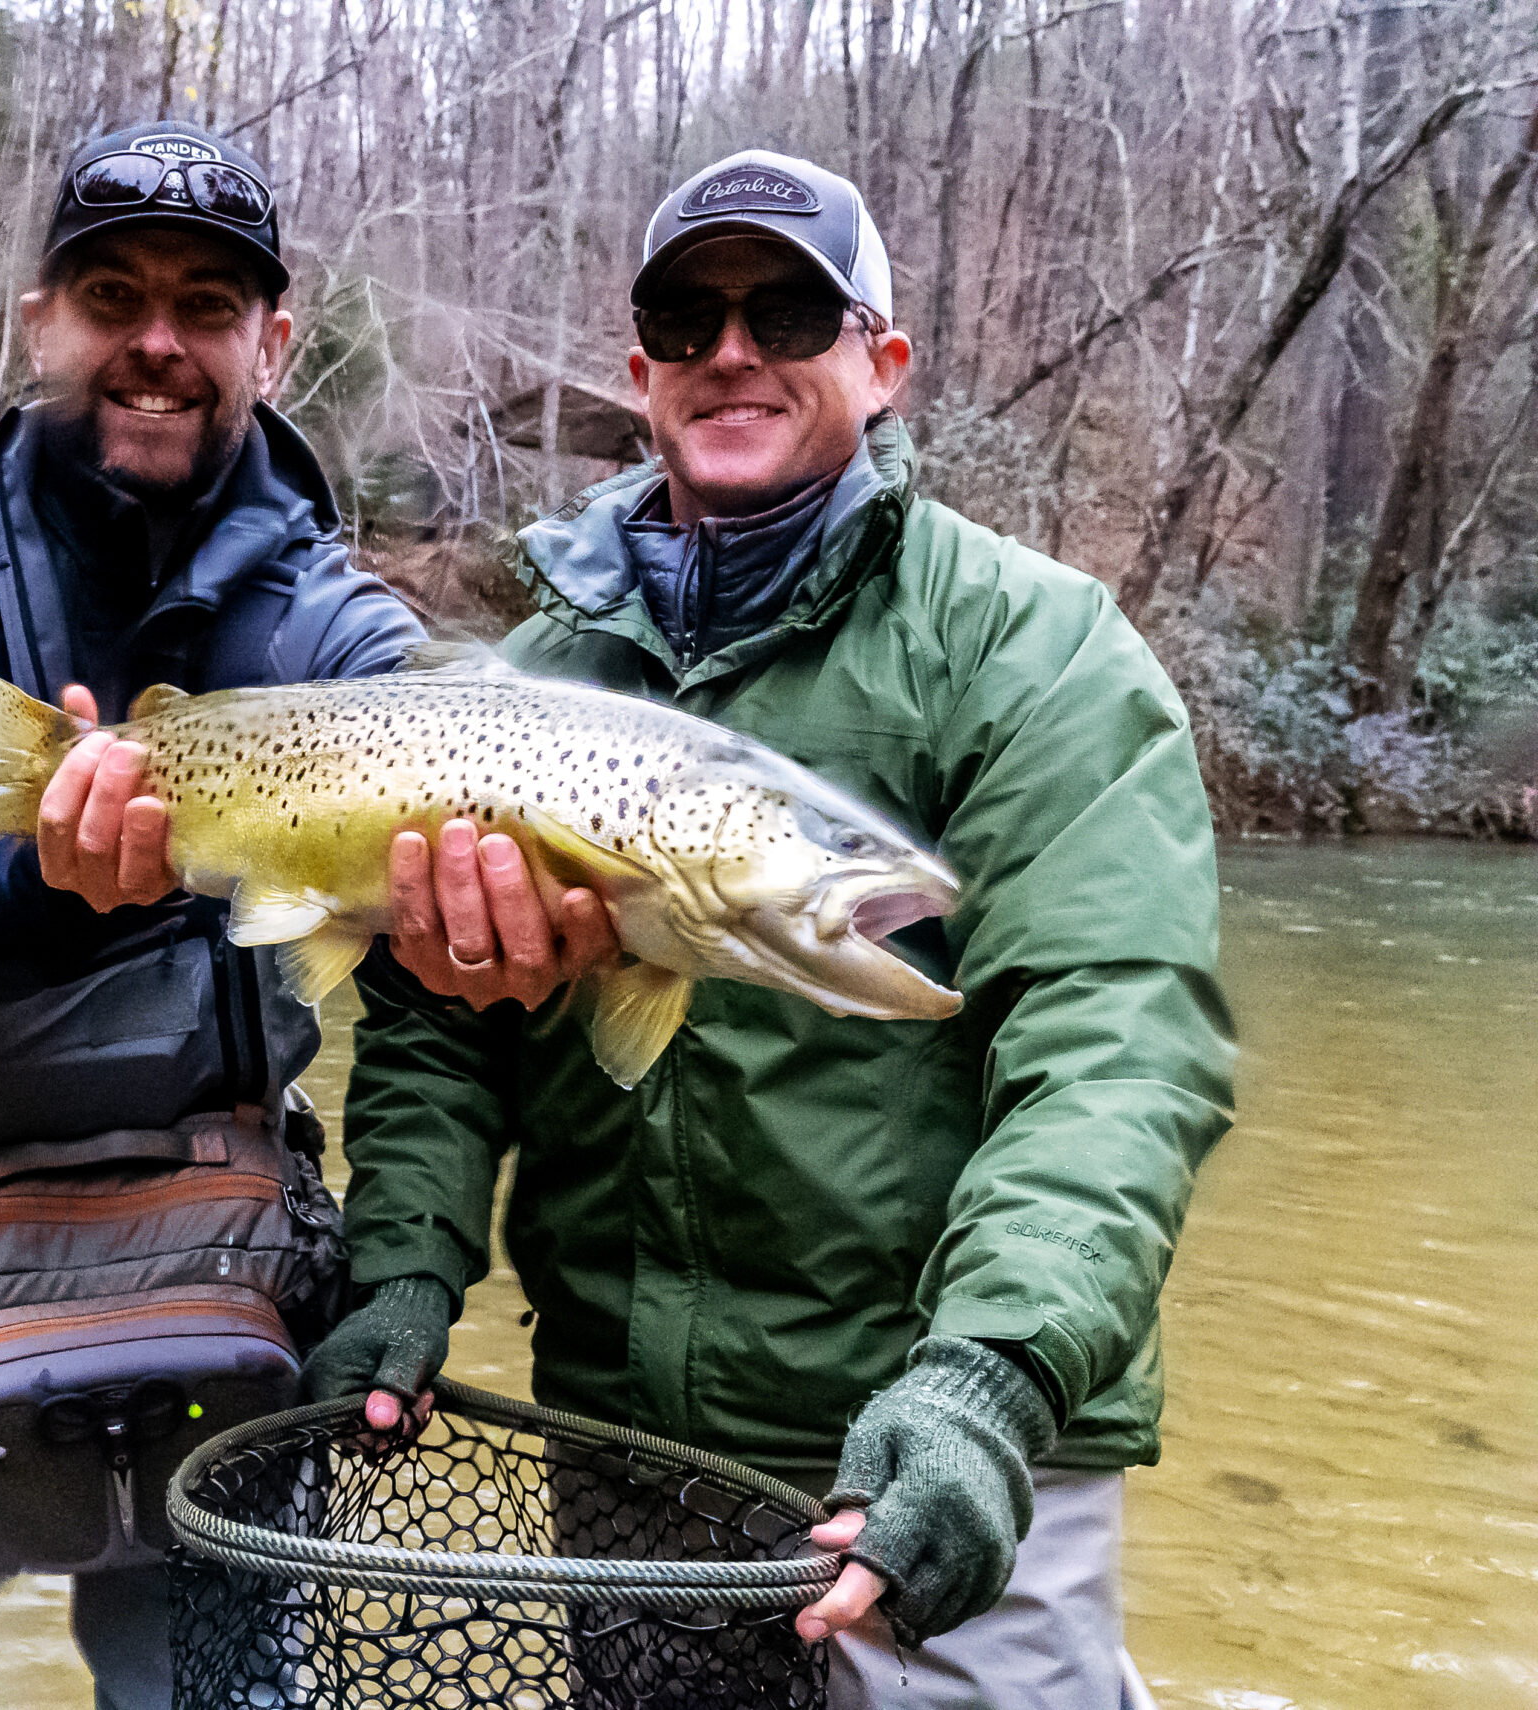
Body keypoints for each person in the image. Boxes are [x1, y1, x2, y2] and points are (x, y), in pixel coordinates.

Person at [307, 149, 1235, 1707]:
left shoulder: (1037, 652)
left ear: (884, 362)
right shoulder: (532, 682)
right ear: (641, 374)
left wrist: (988, 1382)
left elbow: (1118, 1056)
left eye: (789, 313)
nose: (732, 351)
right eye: (689, 319)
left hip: (939, 1461)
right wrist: (403, 1268)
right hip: (624, 1463)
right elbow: (431, 1024)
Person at [0, 120, 612, 1710]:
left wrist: (523, 870)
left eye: (206, 306)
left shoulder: (327, 619)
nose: (157, 340)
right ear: (38, 321)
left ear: (271, 346)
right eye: (112, 295)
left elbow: (442, 709)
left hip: (212, 1249)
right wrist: (57, 878)